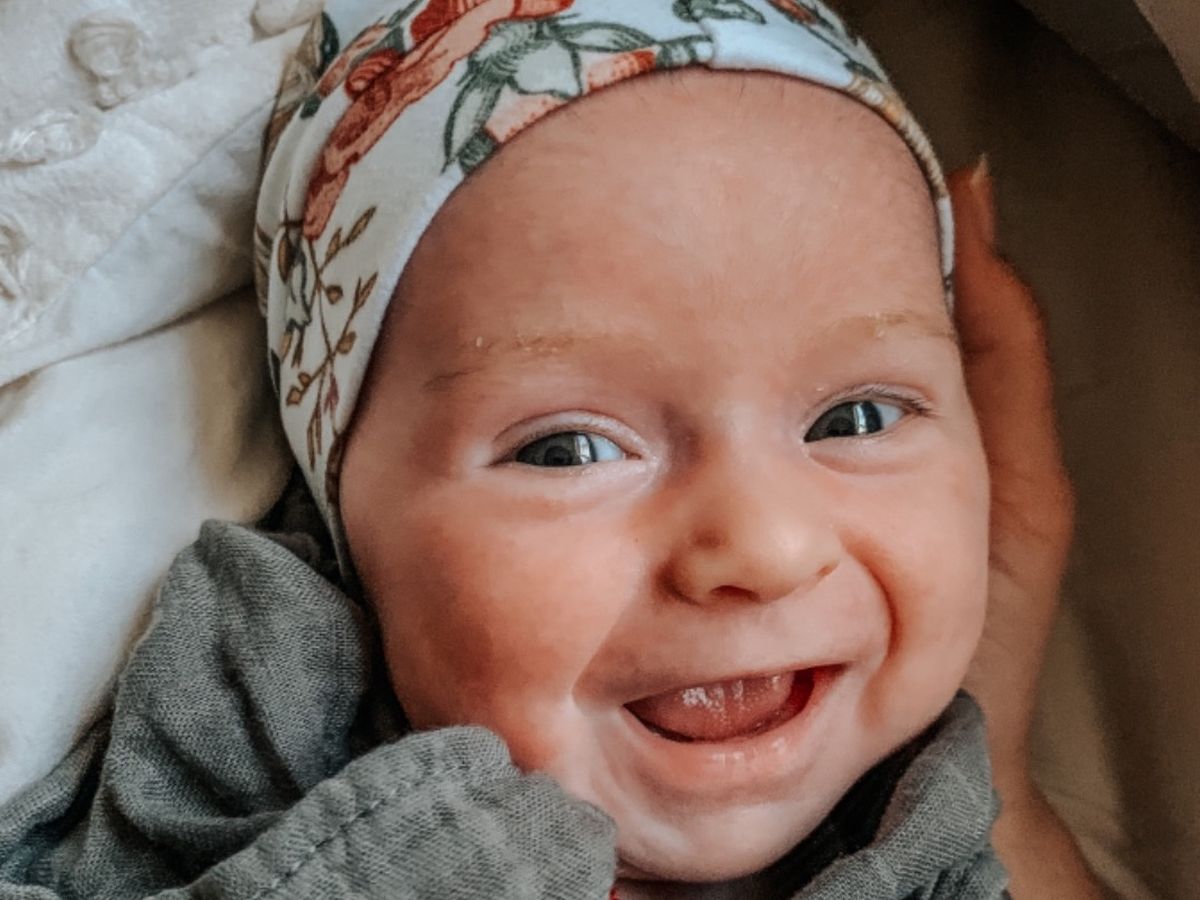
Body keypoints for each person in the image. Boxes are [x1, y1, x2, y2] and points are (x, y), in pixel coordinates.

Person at [0, 1, 1106, 896]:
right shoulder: (248, 709)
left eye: (854, 419)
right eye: (570, 449)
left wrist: (1005, 787)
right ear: (340, 510)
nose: (763, 547)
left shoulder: (938, 833)